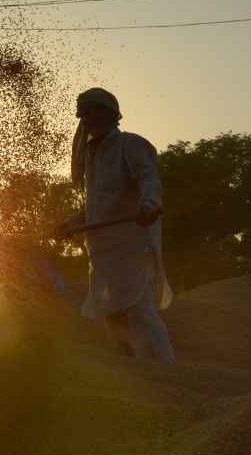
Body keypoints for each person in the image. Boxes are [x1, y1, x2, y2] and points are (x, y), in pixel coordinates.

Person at [57, 87, 176, 363]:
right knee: (111, 313)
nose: (85, 116)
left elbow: (149, 179)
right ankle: (133, 369)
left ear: (109, 113)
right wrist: (70, 223)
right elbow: (98, 205)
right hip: (103, 251)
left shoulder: (131, 145)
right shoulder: (91, 154)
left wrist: (149, 204)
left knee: (138, 308)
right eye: (82, 112)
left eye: (90, 110)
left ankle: (167, 370)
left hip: (131, 245)